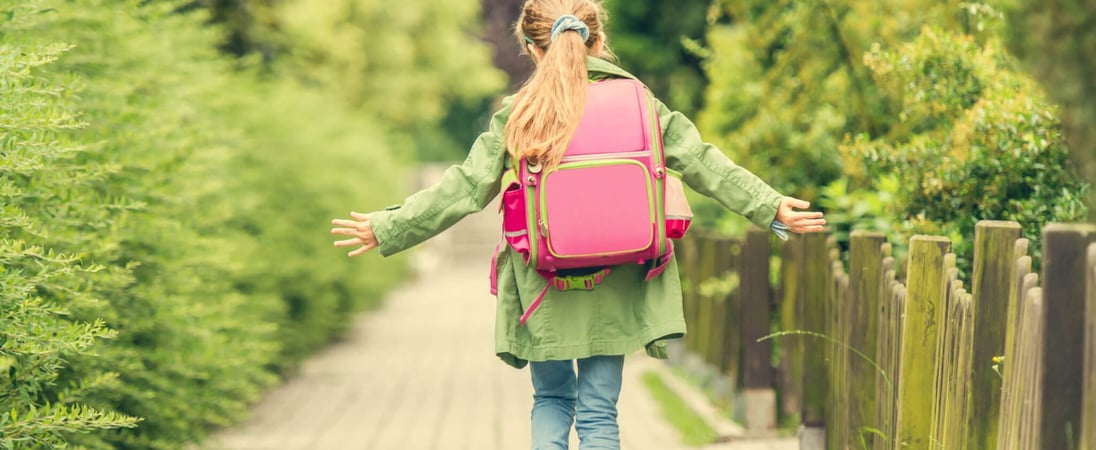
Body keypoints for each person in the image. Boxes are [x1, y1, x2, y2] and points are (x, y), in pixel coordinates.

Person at [331, 1, 825, 448]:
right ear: (598, 40)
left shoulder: (522, 113)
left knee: (551, 402)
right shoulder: (639, 101)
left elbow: (463, 188)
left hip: (545, 279)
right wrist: (770, 206)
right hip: (620, 273)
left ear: (529, 47)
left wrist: (389, 227)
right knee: (599, 415)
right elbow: (702, 162)